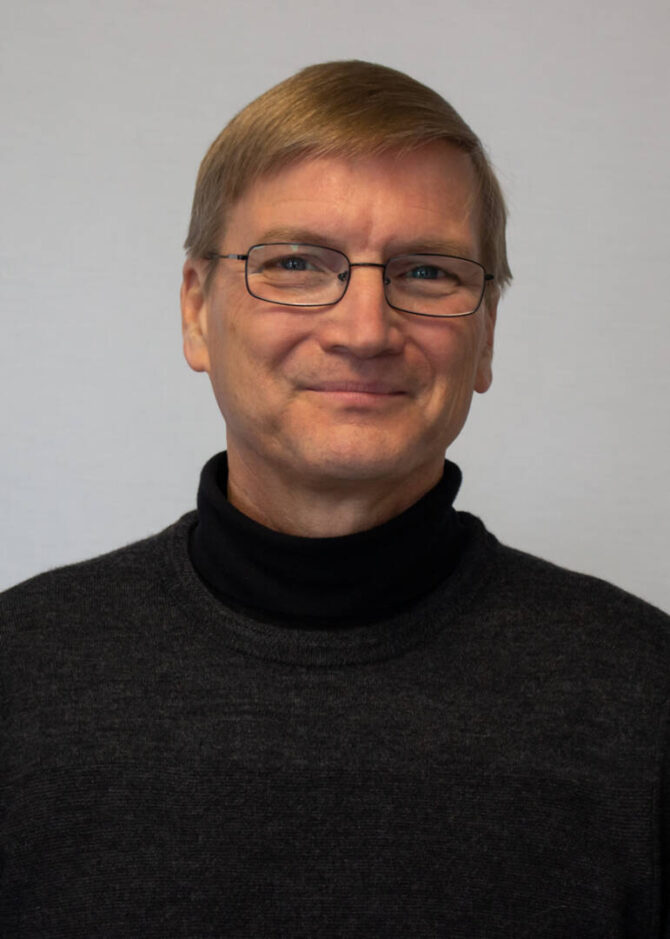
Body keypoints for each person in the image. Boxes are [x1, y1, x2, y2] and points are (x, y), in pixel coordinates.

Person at [1, 60, 668, 938]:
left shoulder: (646, 697)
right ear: (197, 311)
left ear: (485, 336)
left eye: (426, 272)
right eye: (295, 263)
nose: (364, 330)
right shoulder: (18, 675)